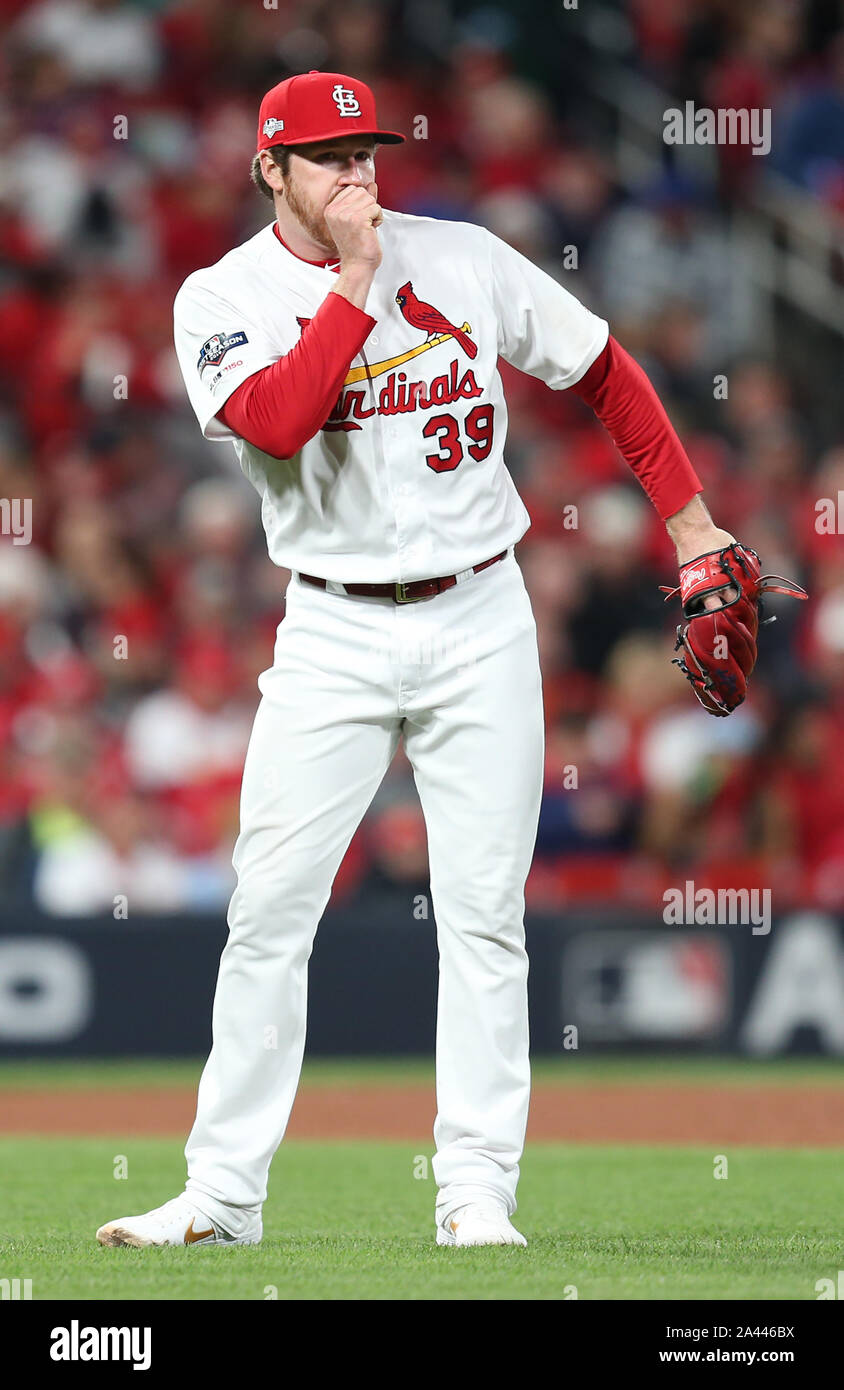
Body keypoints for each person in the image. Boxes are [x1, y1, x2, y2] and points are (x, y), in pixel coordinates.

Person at [96, 69, 735, 1250]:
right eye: (329, 156)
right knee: (270, 910)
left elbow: (603, 369)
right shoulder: (218, 296)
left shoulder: (465, 259)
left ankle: (474, 1192)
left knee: (486, 917)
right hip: (331, 626)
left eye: (368, 150)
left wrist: (691, 522)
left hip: (480, 615)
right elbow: (280, 420)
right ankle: (223, 1196)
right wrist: (349, 280)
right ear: (269, 172)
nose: (358, 172)